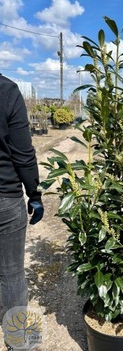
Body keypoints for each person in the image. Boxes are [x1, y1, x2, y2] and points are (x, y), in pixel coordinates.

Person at [0, 74, 44, 350]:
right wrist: (35, 193)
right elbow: (23, 153)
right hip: (4, 199)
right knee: (12, 273)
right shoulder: (7, 90)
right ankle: (18, 343)